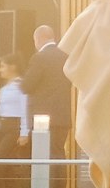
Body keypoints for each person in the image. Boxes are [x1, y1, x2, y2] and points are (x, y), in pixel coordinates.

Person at [21, 25, 73, 161]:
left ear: (39, 39)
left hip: (42, 119)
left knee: (42, 157)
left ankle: (45, 183)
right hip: (62, 116)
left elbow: (27, 86)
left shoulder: (39, 58)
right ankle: (60, 183)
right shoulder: (65, 56)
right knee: (58, 154)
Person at [0, 52, 32, 188]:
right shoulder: (4, 88)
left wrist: (24, 132)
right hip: (2, 126)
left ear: (12, 67)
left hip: (14, 126)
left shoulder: (21, 86)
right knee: (5, 165)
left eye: (3, 66)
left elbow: (24, 109)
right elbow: (3, 111)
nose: (0, 70)